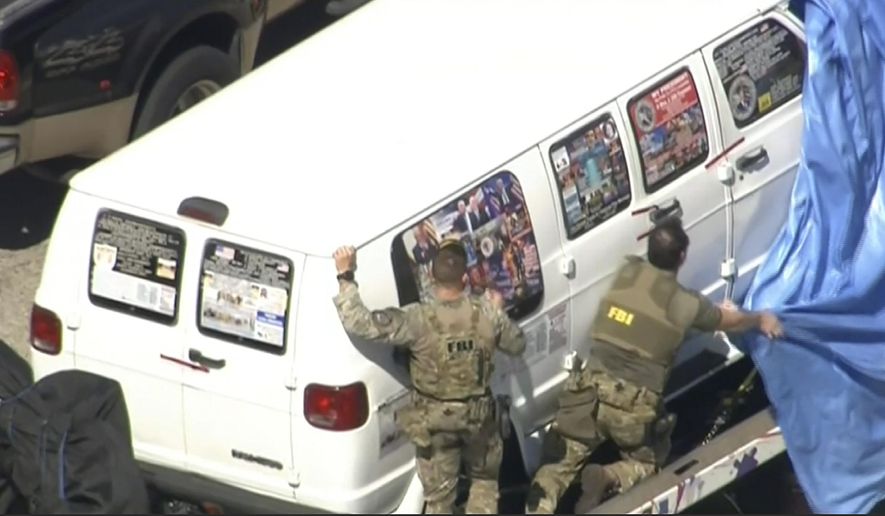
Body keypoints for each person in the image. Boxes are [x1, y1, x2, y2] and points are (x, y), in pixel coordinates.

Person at [524, 217, 784, 514]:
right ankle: (608, 475)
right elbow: (730, 321)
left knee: (555, 467)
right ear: (683, 257)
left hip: (589, 391)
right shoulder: (686, 305)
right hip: (632, 407)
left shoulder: (628, 270)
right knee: (647, 463)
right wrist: (760, 319)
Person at [331, 238, 527, 514]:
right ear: (464, 278)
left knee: (438, 500)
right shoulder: (486, 314)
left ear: (431, 277)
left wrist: (345, 275)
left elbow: (360, 323)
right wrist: (498, 312)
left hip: (436, 425)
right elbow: (517, 344)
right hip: (479, 422)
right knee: (483, 487)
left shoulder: (418, 319)